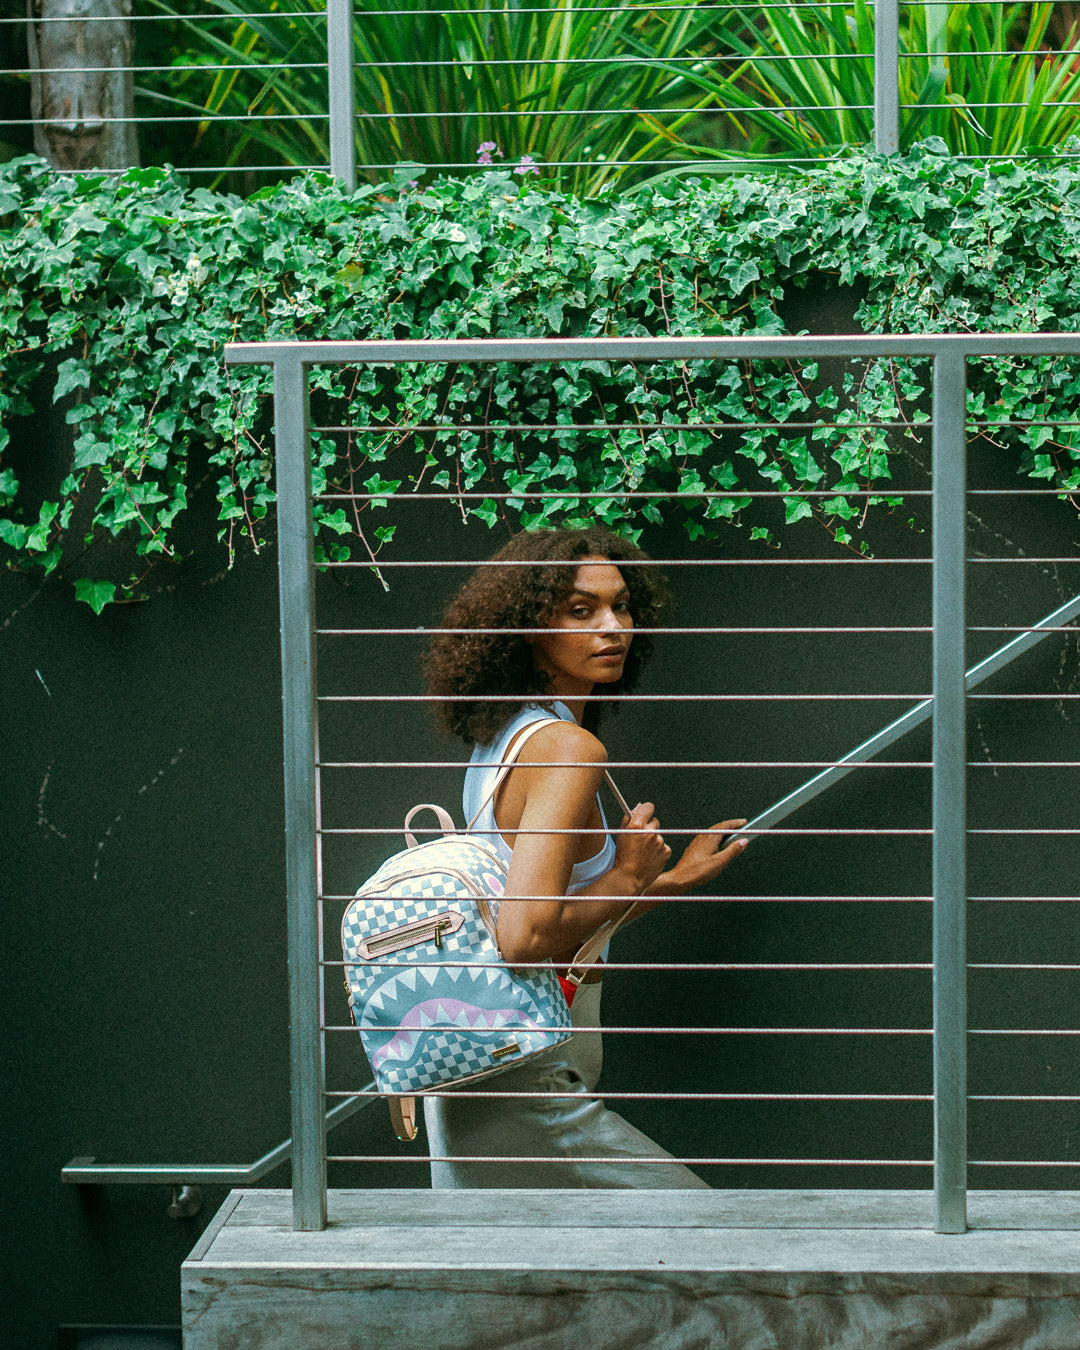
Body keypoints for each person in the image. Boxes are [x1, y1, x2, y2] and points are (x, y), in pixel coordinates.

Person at [422, 525, 748, 1188]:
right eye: (581, 610)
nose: (613, 626)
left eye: (621, 606)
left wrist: (667, 882)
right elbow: (522, 941)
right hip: (529, 1088)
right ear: (527, 628)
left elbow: (555, 921)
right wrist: (629, 873)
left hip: (493, 1076)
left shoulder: (510, 737)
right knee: (719, 1246)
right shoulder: (567, 750)